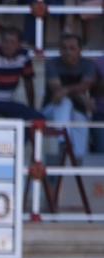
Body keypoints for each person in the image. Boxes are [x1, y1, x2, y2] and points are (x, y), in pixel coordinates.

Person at [42, 34, 95, 163]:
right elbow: (57, 90)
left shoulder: (88, 64)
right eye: (64, 48)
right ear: (59, 50)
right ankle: (62, 141)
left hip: (77, 111)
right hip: (52, 109)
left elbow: (85, 85)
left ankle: (76, 162)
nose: (67, 52)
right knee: (65, 103)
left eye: (72, 48)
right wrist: (80, 96)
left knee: (80, 123)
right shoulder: (52, 63)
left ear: (80, 50)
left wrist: (66, 90)